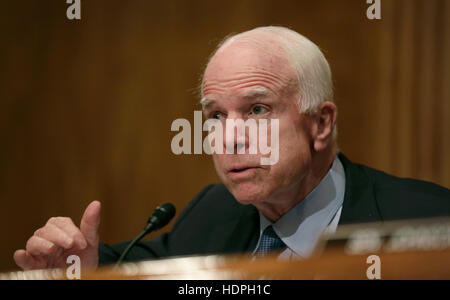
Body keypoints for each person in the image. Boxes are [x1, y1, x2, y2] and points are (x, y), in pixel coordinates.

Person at [13, 26, 450, 271]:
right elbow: (138, 267)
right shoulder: (213, 213)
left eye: (257, 109)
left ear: (321, 124)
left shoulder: (427, 224)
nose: (230, 137)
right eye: (216, 116)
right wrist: (83, 268)